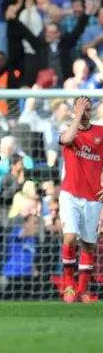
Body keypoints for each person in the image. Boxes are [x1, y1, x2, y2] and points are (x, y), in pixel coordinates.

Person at [58, 96, 103, 304]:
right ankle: (68, 285)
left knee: (88, 244)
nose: (86, 113)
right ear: (75, 110)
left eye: (88, 109)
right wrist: (76, 116)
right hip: (70, 194)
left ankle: (82, 291)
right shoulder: (66, 129)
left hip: (93, 196)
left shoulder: (101, 133)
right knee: (70, 237)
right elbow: (67, 140)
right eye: (82, 109)